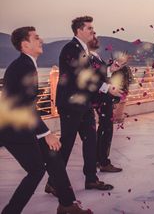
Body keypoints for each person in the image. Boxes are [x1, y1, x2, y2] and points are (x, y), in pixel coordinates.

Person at [0, 26, 91, 214]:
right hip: (13, 129)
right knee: (36, 171)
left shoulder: (26, 64)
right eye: (36, 38)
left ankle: (67, 205)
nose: (41, 40)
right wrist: (46, 133)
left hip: (20, 124)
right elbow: (23, 104)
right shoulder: (24, 66)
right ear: (25, 45)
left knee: (53, 157)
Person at [51, 16, 121, 191]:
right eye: (89, 28)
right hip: (71, 104)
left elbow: (93, 74)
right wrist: (106, 88)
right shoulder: (71, 49)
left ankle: (91, 179)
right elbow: (82, 76)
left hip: (85, 104)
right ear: (79, 30)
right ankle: (53, 182)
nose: (92, 31)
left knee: (90, 140)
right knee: (66, 143)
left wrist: (110, 74)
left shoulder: (85, 51)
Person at [88, 35, 123, 173]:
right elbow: (90, 78)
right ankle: (103, 162)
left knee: (104, 128)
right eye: (92, 36)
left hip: (102, 96)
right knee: (106, 129)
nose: (96, 38)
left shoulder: (95, 55)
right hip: (98, 97)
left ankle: (98, 159)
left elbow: (99, 73)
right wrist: (107, 89)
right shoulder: (87, 56)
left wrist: (110, 69)